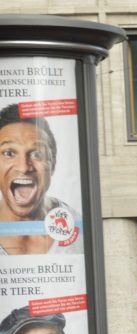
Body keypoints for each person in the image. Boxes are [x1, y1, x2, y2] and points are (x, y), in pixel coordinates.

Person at [0, 104, 82, 256]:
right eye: (9, 153)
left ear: (53, 164)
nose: (24, 167)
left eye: (37, 154)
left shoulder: (78, 227)